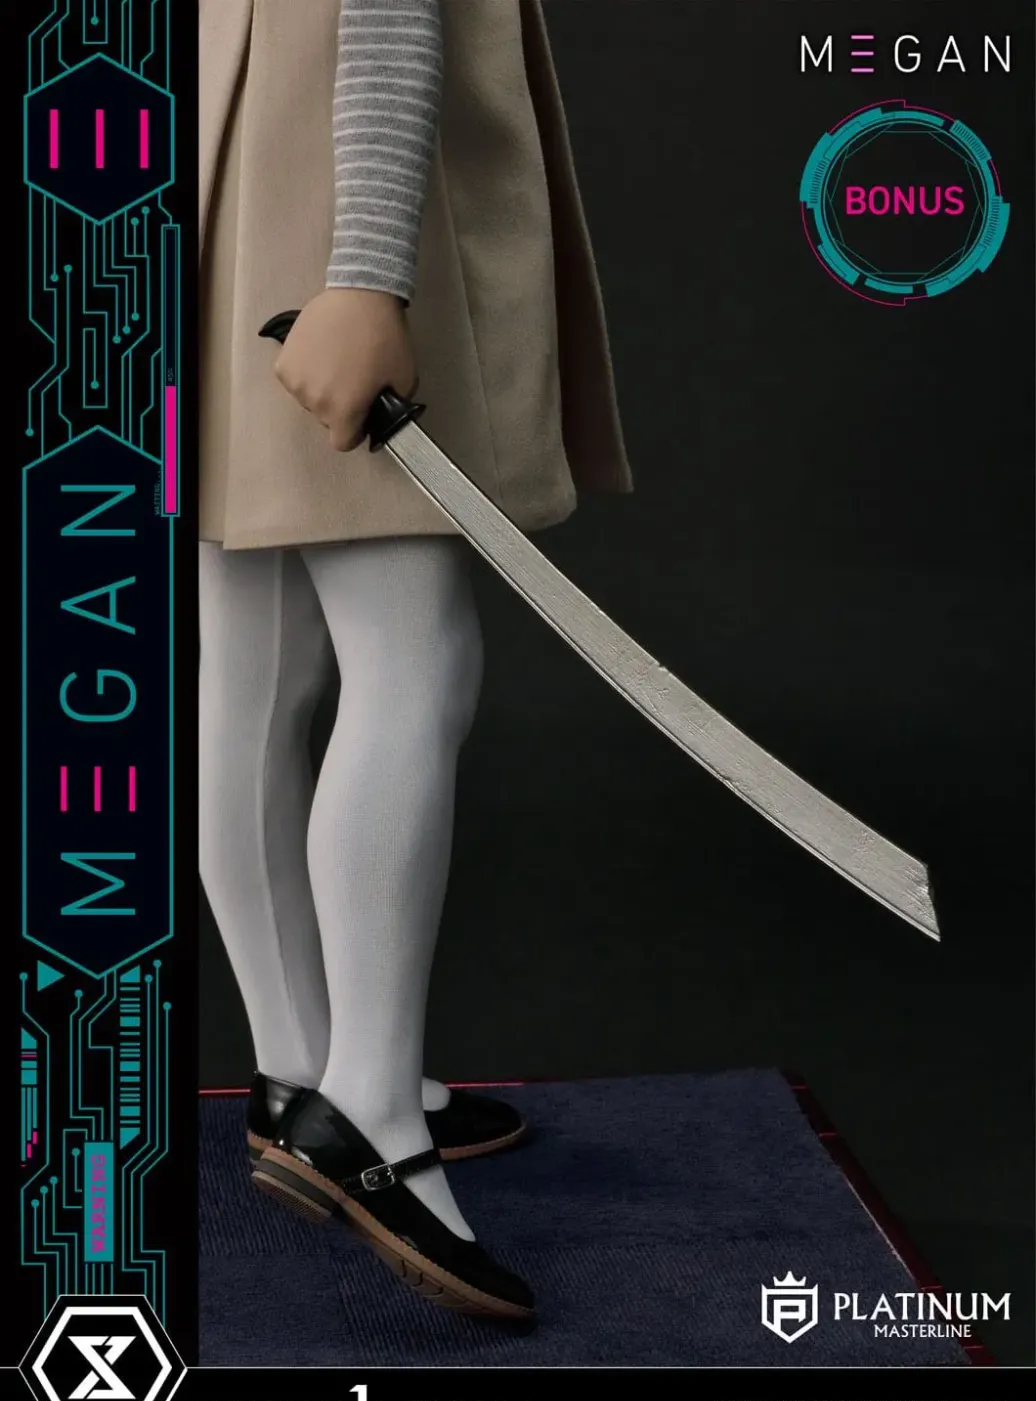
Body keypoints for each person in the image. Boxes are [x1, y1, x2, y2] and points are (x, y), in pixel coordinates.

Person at [198, 0, 631, 1322]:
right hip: (331, 192)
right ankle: (372, 1111)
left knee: (254, 668)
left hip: (233, 151)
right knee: (414, 662)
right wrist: (370, 269)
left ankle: (298, 1079)